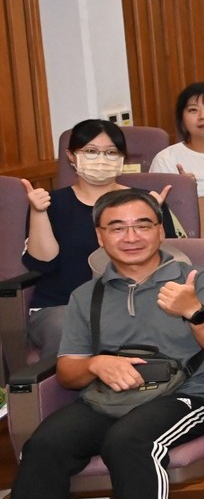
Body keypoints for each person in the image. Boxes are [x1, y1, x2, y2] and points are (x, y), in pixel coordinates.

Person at [0, 188, 204, 499]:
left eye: (143, 225)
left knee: (129, 441)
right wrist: (96, 363)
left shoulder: (195, 279)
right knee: (44, 444)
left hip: (184, 396)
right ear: (100, 237)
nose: (131, 236)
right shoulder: (86, 295)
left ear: (160, 230)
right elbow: (68, 371)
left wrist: (195, 312)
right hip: (106, 396)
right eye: (117, 227)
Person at [23, 121, 146, 361]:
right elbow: (42, 263)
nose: (101, 159)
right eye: (90, 151)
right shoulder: (50, 203)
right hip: (60, 306)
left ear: (122, 159)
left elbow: (168, 262)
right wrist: (38, 213)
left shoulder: (143, 202)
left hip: (130, 303)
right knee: (67, 326)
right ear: (71, 156)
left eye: (111, 152)